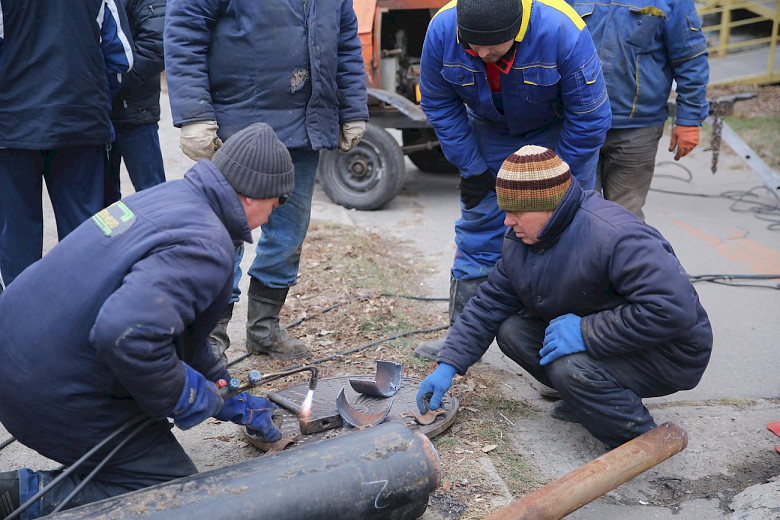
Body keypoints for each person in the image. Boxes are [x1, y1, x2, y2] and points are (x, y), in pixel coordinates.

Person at [0, 123, 290, 518]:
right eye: (277, 204)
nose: (272, 216)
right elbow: (125, 334)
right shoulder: (207, 243)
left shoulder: (176, 198)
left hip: (19, 349)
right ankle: (22, 495)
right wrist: (188, 393)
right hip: (44, 387)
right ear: (253, 196)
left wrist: (223, 388)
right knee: (166, 489)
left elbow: (168, 323)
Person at [416, 145, 713, 448]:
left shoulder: (615, 235)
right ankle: (587, 398)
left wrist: (585, 332)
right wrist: (448, 364)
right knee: (512, 330)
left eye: (516, 212)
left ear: (550, 205)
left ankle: (639, 441)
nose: (507, 222)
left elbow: (672, 310)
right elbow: (489, 303)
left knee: (569, 367)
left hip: (667, 352)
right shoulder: (522, 239)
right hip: (619, 336)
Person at [164, 0, 369, 363]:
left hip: (305, 125)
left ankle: (263, 327)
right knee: (223, 235)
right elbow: (184, 32)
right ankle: (209, 334)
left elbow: (346, 42)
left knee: (289, 234)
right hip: (236, 126)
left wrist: (352, 107)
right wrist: (194, 113)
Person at [414, 0, 612, 361]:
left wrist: (552, 181)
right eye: (472, 45)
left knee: (568, 237)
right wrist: (471, 167)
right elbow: (438, 102)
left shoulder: (561, 30)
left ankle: (570, 353)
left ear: (517, 30)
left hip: (560, 132)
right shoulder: (443, 28)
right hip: (491, 131)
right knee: (480, 225)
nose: (481, 53)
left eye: (492, 46)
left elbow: (590, 117)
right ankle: (461, 336)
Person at [0, 0, 134, 293]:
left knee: (17, 237)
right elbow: (122, 59)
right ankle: (77, 324)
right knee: (82, 234)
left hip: (12, 127)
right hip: (81, 121)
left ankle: (18, 324)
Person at [566, 0, 710, 221]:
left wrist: (689, 120)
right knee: (576, 214)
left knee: (624, 218)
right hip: (578, 124)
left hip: (637, 129)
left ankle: (622, 256)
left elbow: (690, 59)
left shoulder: (672, 2)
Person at [104, 0, 168, 207]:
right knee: (102, 200)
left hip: (136, 112)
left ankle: (161, 240)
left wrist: (110, 83)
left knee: (152, 196)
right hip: (99, 113)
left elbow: (155, 47)